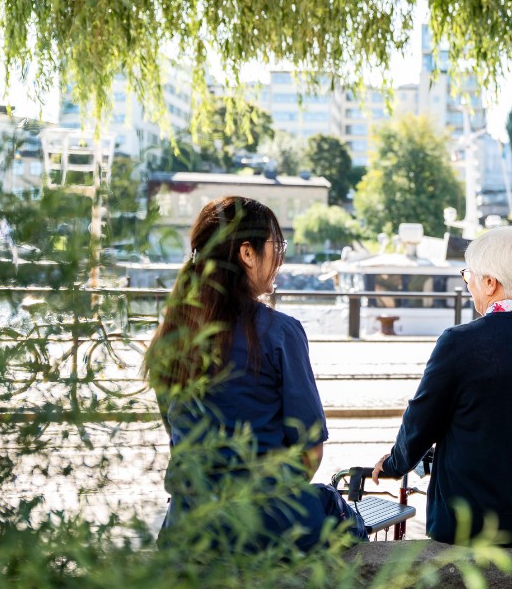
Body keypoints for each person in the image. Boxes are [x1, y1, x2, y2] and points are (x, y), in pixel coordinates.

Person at [144, 196, 365, 552]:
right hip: (267, 522)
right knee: (341, 514)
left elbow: (182, 438)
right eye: (276, 246)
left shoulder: (172, 337)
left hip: (191, 524)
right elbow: (310, 450)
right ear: (247, 253)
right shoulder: (280, 333)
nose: (280, 257)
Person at [372, 226, 512, 547]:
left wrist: (394, 464)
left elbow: (421, 421)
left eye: (469, 276)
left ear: (490, 282)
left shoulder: (460, 342)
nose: (468, 285)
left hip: (471, 525)